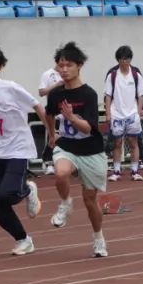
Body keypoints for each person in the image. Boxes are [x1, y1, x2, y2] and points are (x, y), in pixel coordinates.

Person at [0, 46, 48, 256]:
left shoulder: (11, 88)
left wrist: (51, 132)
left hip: (18, 149)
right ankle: (23, 240)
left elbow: (38, 106)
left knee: (8, 193)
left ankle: (27, 190)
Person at [45, 42, 109, 258]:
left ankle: (98, 238)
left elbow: (89, 128)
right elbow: (48, 113)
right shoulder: (56, 94)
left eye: (68, 65)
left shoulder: (89, 94)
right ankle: (65, 203)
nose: (64, 70)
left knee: (90, 202)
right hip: (67, 147)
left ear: (79, 66)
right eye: (60, 65)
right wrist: (52, 134)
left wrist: (71, 117)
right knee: (61, 173)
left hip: (91, 150)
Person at [104, 45, 143, 182]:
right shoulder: (112, 76)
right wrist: (108, 114)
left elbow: (141, 95)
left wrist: (138, 112)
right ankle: (116, 171)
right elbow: (108, 96)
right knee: (117, 143)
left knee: (133, 143)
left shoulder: (136, 75)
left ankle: (135, 171)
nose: (125, 62)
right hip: (116, 114)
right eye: (122, 59)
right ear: (118, 60)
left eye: (127, 59)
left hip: (132, 114)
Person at [37, 60, 63, 176]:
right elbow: (41, 92)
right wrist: (56, 85)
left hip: (67, 110)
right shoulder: (48, 74)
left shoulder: (68, 73)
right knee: (52, 137)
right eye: (61, 61)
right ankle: (49, 163)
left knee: (66, 138)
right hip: (53, 110)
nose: (64, 65)